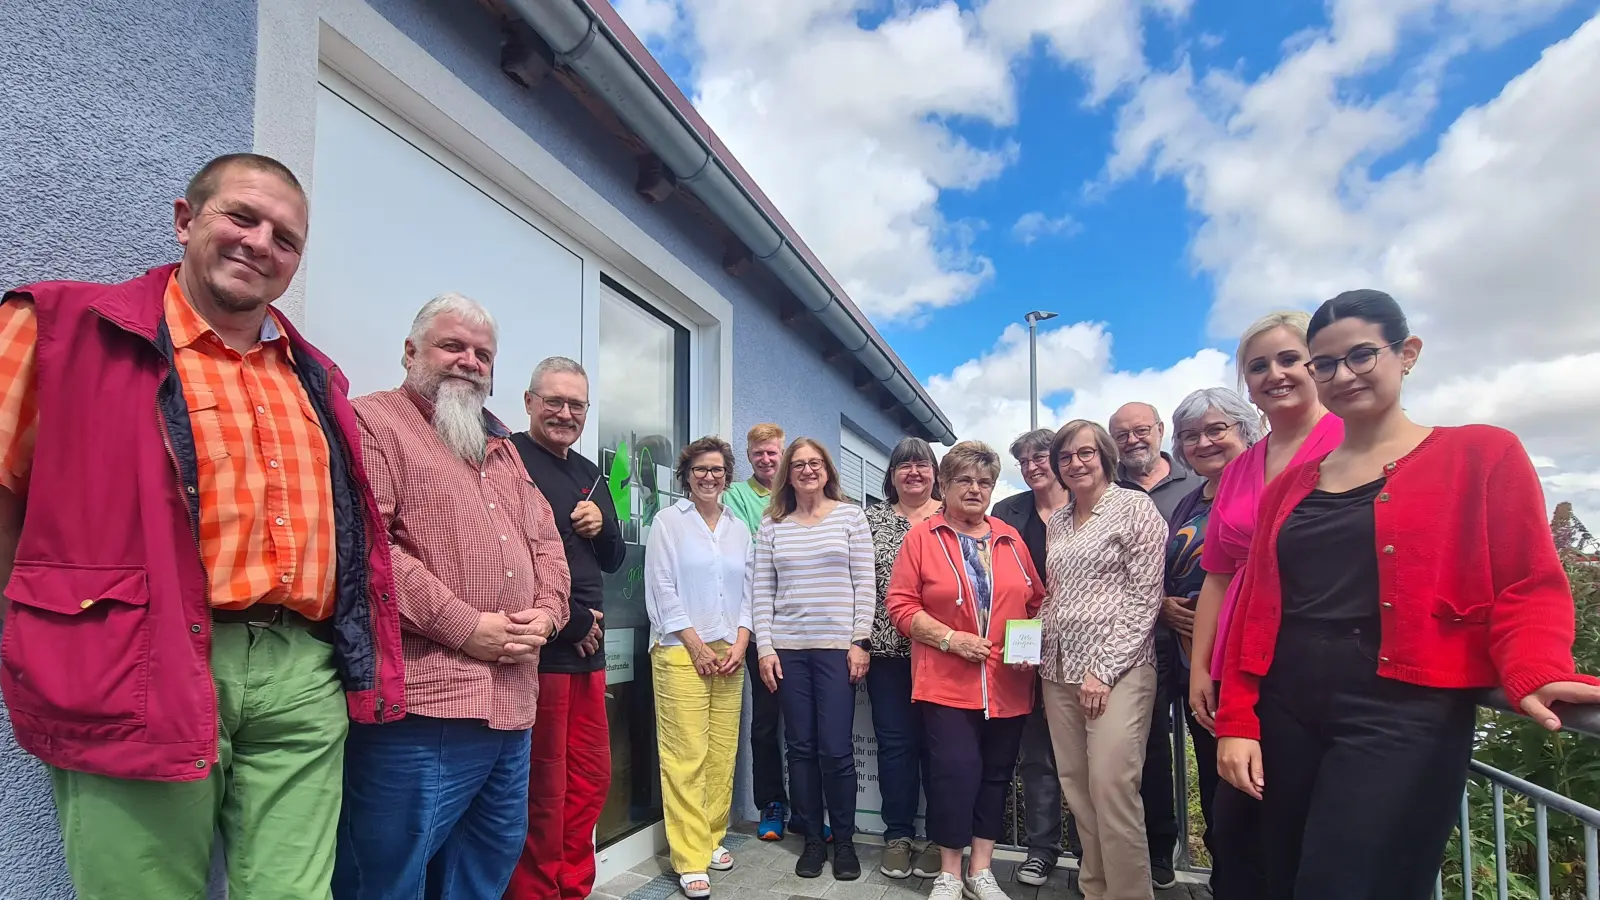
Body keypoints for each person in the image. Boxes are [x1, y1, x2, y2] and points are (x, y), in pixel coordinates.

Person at [0, 153, 405, 900]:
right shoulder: (60, 329)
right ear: (186, 220)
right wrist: (33, 636)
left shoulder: (316, 376)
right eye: (241, 217)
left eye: (285, 238)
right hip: (134, 661)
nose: (261, 243)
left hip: (301, 673)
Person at [1215, 290, 1600, 899]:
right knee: (1283, 877)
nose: (1343, 376)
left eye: (1361, 356)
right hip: (1286, 705)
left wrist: (1536, 668)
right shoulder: (1289, 486)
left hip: (1401, 712)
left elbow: (1527, 583)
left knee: (1350, 883)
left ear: (1407, 353)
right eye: (1326, 364)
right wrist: (1238, 718)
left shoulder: (1480, 452)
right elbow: (1257, 610)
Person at [337, 294, 571, 899]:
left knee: (485, 866)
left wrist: (546, 617)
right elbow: (367, 548)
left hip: (514, 704)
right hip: (424, 707)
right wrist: (465, 627)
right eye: (453, 346)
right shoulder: (374, 422)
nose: (469, 361)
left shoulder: (503, 448)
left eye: (483, 354)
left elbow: (548, 546)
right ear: (411, 351)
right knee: (390, 876)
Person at [1187, 310, 1343, 900]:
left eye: (1288, 359)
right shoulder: (1242, 469)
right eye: (1258, 366)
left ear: (1317, 364)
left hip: (1318, 662)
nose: (1274, 375)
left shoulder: (1349, 442)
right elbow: (1218, 578)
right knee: (1239, 826)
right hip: (1240, 669)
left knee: (1304, 833)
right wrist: (1203, 667)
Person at [885, 441, 1044, 900]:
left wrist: (1028, 642)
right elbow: (899, 604)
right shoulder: (923, 536)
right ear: (945, 485)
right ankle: (949, 873)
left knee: (996, 776)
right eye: (964, 481)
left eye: (985, 482)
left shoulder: (1010, 538)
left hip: (1009, 683)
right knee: (954, 773)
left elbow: (1037, 601)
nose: (975, 489)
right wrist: (950, 639)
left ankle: (982, 869)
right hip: (946, 683)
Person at [506, 356, 627, 900]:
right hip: (541, 652)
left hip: (589, 655)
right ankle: (534, 892)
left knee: (589, 780)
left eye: (576, 404)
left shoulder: (590, 474)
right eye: (553, 400)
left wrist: (603, 527)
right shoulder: (507, 459)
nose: (564, 412)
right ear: (529, 401)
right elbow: (504, 561)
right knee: (542, 788)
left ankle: (572, 887)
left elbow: (616, 558)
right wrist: (571, 622)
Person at [1039, 420, 1167, 900]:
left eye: (1085, 453)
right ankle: (1096, 889)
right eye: (1066, 457)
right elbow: (1057, 596)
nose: (1075, 463)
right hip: (1057, 671)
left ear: (1105, 456)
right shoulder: (1057, 521)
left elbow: (1143, 598)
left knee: (1113, 789)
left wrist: (1103, 670)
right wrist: (1031, 646)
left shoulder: (1135, 508)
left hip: (1119, 672)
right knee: (1078, 788)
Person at [752, 438, 874, 880]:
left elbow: (866, 584)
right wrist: (765, 648)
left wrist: (861, 640)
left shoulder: (850, 516)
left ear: (827, 470)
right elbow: (761, 592)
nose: (807, 470)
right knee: (799, 749)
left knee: (836, 749)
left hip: (837, 649)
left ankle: (844, 842)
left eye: (815, 463)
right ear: (788, 472)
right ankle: (811, 841)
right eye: (799, 464)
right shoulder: (773, 524)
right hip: (788, 650)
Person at [644, 436, 753, 899]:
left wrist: (742, 641)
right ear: (686, 475)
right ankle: (688, 857)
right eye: (700, 469)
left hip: (730, 651)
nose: (709, 477)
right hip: (679, 650)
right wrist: (693, 643)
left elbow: (750, 590)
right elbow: (661, 586)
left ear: (727, 476)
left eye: (717, 470)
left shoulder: (739, 528)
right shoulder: (669, 521)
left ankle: (711, 837)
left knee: (721, 752)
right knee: (685, 754)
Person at [1158, 388, 1261, 869]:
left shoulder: (1268, 482)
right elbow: (1166, 571)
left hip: (1252, 666)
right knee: (1220, 791)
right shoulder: (1190, 501)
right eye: (1190, 436)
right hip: (1196, 667)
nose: (1203, 443)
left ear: (1245, 428)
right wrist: (1165, 605)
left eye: (1216, 429)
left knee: (1254, 795)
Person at [1108, 402, 1199, 889]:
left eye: (1141, 430)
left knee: (1215, 748)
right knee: (1147, 751)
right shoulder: (1108, 490)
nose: (1132, 441)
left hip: (1204, 641)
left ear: (1160, 431)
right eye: (1121, 434)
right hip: (1141, 644)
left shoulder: (1194, 482)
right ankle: (1158, 849)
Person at [992, 428, 1075, 887]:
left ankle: (1093, 853)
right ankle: (1042, 850)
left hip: (1085, 647)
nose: (1031, 466)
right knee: (1038, 756)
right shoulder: (1007, 512)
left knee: (1089, 758)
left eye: (1039, 456)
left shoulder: (1092, 501)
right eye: (1022, 460)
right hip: (1026, 646)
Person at [864, 437, 945, 880]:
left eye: (922, 465)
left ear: (934, 472)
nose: (913, 472)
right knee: (895, 747)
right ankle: (897, 835)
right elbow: (857, 585)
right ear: (891, 474)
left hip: (944, 655)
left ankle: (937, 836)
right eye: (904, 466)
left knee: (940, 747)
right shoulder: (870, 519)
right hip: (887, 655)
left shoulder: (953, 516)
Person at [724, 422, 790, 840]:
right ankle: (771, 804)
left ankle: (809, 804)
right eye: (758, 453)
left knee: (804, 725)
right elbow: (747, 553)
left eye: (772, 452)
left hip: (800, 627)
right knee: (766, 722)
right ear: (749, 456)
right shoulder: (734, 497)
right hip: (757, 625)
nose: (766, 459)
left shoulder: (799, 493)